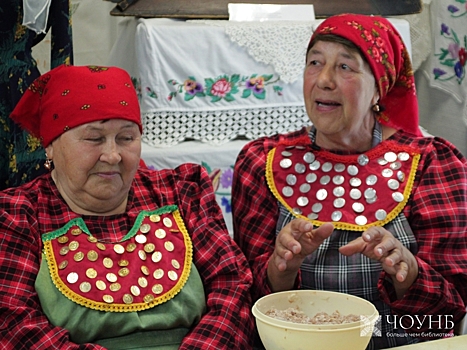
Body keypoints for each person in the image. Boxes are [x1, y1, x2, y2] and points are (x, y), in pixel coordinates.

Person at [232, 13, 467, 349]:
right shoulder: (263, 162)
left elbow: (449, 314)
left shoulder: (431, 164)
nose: (324, 79)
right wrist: (281, 267)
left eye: (345, 67)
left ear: (379, 88)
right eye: (315, 62)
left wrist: (407, 271)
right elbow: (240, 298)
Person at [0, 64, 254, 349]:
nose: (112, 156)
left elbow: (233, 286)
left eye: (126, 138)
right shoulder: (18, 214)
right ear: (50, 146)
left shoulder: (182, 191)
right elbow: (14, 323)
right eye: (94, 139)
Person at [0, 0, 73, 190]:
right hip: (20, 85)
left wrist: (62, 103)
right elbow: (62, 50)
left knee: (23, 185)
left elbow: (62, 48)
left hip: (20, 93)